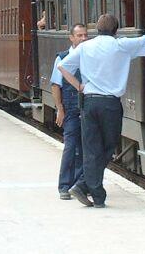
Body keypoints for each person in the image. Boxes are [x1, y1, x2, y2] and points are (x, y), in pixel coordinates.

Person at [58, 14, 145, 208]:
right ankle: (88, 189)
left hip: (89, 102)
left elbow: (62, 66)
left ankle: (88, 189)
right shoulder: (121, 45)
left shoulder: (85, 46)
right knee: (108, 148)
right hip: (110, 104)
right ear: (116, 30)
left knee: (91, 149)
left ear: (97, 29)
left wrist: (79, 86)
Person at [50, 23, 88, 200]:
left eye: (85, 35)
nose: (83, 38)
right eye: (79, 35)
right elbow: (56, 85)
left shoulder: (89, 55)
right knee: (71, 146)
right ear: (71, 38)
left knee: (85, 147)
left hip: (87, 107)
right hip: (71, 108)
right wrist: (60, 109)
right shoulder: (62, 58)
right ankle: (64, 186)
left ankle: (78, 184)